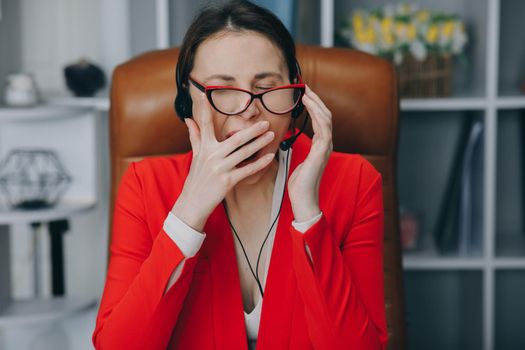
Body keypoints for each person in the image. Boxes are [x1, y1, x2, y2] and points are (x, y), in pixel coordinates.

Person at [92, 1, 388, 349]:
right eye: (224, 91)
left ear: (296, 94)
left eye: (266, 88)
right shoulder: (146, 185)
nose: (249, 112)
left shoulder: (355, 182)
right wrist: (188, 214)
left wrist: (309, 216)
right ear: (188, 96)